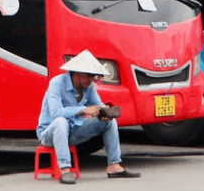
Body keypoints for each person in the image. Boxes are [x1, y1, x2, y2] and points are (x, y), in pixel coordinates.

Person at [37, 49, 135, 183]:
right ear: (76, 73)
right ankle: (65, 169)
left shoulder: (90, 87)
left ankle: (114, 165)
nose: (91, 79)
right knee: (61, 121)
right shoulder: (57, 83)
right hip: (49, 134)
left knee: (110, 122)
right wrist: (84, 110)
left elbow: (98, 104)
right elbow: (56, 112)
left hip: (73, 130)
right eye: (88, 75)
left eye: (93, 76)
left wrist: (105, 112)